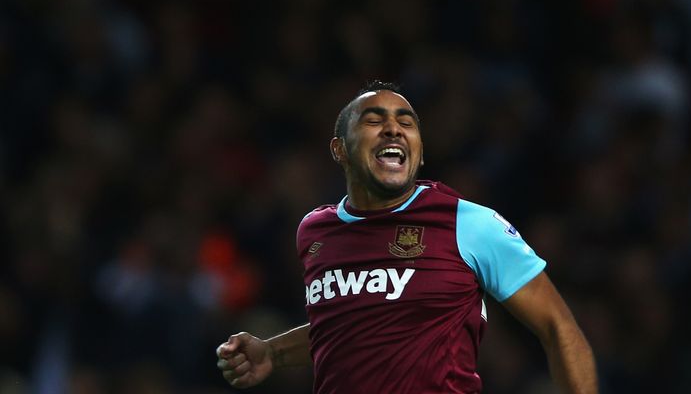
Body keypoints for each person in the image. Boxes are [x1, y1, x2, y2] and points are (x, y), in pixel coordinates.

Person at [216, 81, 598, 393]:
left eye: (407, 121)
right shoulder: (315, 232)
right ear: (340, 149)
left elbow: (557, 325)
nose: (394, 128)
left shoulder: (468, 223)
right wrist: (272, 352)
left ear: (419, 151)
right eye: (373, 119)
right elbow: (347, 329)